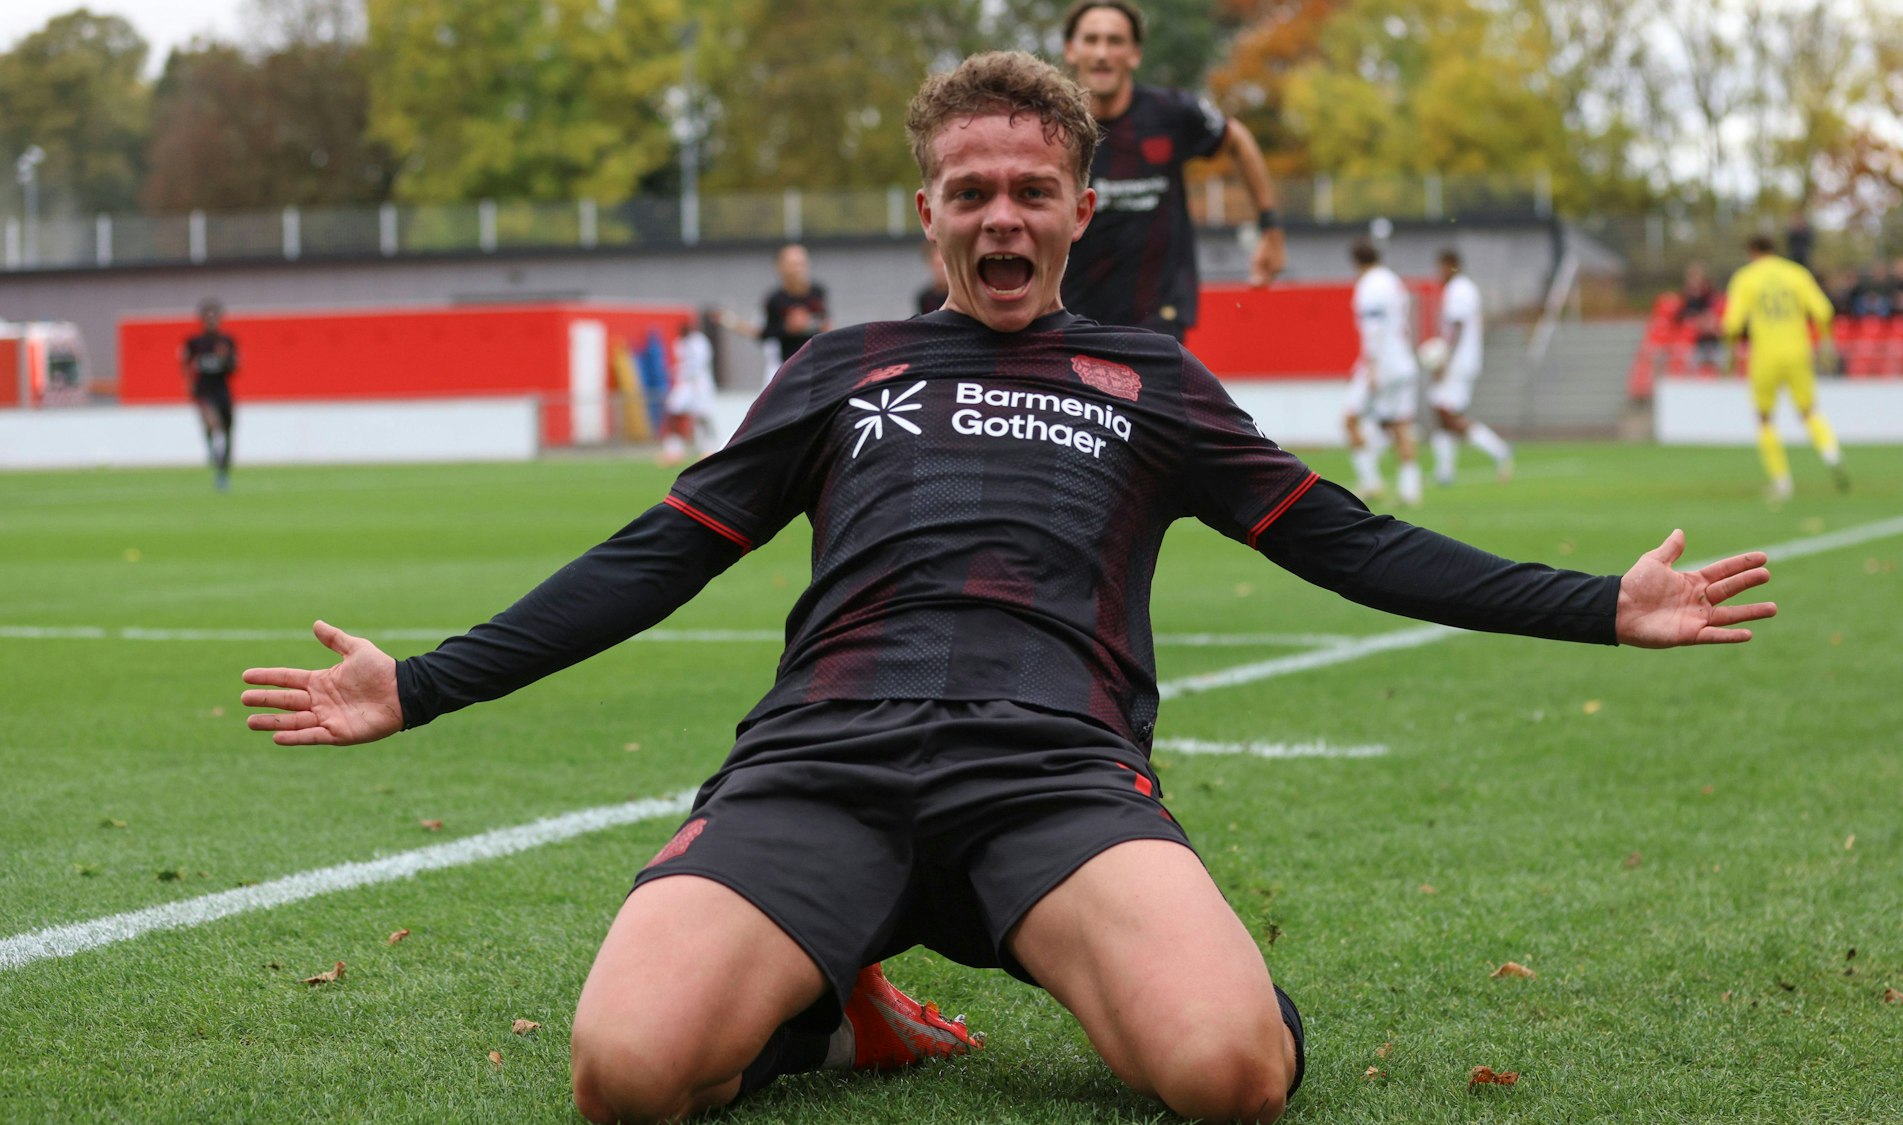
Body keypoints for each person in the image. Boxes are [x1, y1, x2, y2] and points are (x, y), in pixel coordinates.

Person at [242, 52, 1778, 1124]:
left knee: (1232, 1077)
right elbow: (659, 554)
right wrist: (425, 681)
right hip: (820, 770)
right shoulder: (840, 369)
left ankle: (1069, 960)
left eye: (1031, 189)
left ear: (1078, 208)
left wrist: (1600, 603)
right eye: (968, 189)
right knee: (622, 1078)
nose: (999, 215)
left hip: (1053, 776)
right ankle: (821, 999)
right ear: (926, 213)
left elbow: (1353, 542)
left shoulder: (1150, 379)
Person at [1059, 0, 1285, 339]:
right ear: (1071, 51)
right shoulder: (1053, 124)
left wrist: (1270, 228)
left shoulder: (1172, 112)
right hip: (1069, 315)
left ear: (1134, 54)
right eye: (1091, 40)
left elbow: (1238, 139)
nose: (1102, 52)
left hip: (1157, 317)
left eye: (1115, 41)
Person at [1723, 234, 1848, 501]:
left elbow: (1732, 324)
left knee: (1765, 418)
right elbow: (1824, 311)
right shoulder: (1796, 273)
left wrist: (1731, 352)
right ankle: (1830, 451)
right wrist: (1826, 343)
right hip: (1798, 352)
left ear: (1752, 252)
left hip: (1765, 356)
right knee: (1808, 410)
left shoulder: (1746, 277)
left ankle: (1782, 481)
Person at [1344, 239, 1423, 507]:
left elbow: (1373, 328)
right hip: (1403, 361)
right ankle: (1410, 489)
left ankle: (1370, 481)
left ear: (1356, 262)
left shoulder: (1369, 286)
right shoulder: (1392, 281)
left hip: (1382, 364)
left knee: (1351, 419)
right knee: (1400, 425)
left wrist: (1372, 366)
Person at [1426, 250, 1512, 486]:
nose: (1438, 274)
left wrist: (1445, 360)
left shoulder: (1459, 289)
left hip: (1458, 363)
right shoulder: (1464, 289)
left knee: (1447, 414)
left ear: (1451, 265)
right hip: (1463, 361)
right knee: (1441, 414)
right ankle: (1445, 472)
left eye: (1441, 267)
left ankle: (1499, 449)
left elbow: (1458, 327)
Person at [723, 243, 831, 385]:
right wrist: (788, 328)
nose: (798, 269)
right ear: (781, 267)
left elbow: (825, 323)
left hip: (815, 363)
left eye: (801, 263)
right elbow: (764, 333)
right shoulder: (774, 300)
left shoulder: (817, 293)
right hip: (784, 366)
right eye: (793, 264)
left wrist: (816, 326)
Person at [179, 299, 238, 491]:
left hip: (223, 391)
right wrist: (188, 384)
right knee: (213, 424)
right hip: (204, 391)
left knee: (228, 432)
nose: (212, 321)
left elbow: (235, 368)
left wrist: (225, 359)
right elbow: (185, 363)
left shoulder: (227, 342)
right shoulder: (195, 342)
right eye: (208, 317)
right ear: (202, 319)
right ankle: (212, 448)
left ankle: (223, 473)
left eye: (215, 317)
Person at [659, 314, 719, 466]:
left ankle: (709, 450)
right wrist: (675, 371)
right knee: (673, 411)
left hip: (700, 384)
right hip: (685, 385)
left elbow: (699, 364)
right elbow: (682, 364)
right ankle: (674, 450)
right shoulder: (679, 343)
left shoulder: (700, 342)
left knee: (703, 417)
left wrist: (681, 370)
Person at [1676, 262, 1723, 369]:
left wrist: (1706, 320)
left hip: (1712, 340)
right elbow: (1680, 317)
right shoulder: (1686, 300)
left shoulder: (1710, 297)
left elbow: (1713, 314)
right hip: (1694, 342)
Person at [915, 241, 951, 315]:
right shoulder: (925, 298)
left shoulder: (962, 296)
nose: (942, 270)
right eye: (939, 265)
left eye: (945, 264)